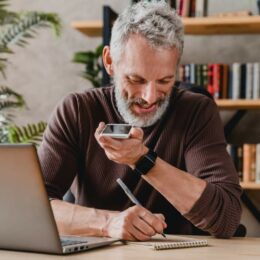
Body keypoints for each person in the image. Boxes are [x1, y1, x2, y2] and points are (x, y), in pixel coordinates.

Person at [38, 0, 242, 241]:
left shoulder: (196, 111)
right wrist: (108, 223)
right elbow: (32, 208)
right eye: (136, 80)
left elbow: (227, 218)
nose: (150, 97)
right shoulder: (77, 110)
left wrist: (142, 160)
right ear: (110, 61)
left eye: (165, 81)